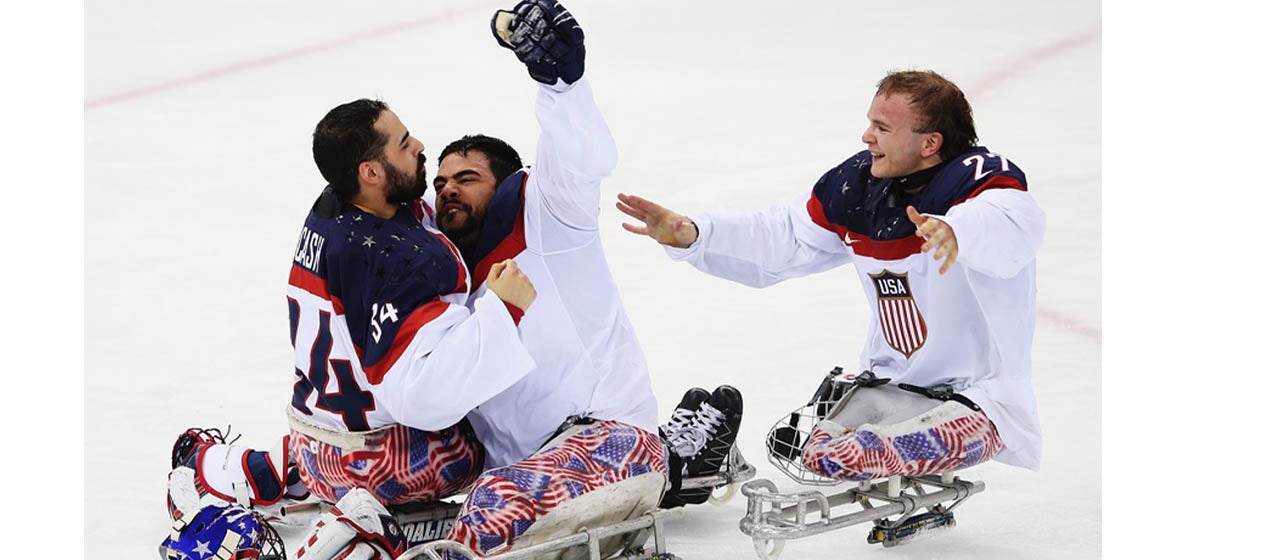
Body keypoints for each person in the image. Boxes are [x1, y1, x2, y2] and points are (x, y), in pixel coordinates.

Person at [162, 98, 544, 560]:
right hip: (384, 468)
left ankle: (242, 473)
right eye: (404, 146)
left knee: (352, 412)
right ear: (371, 172)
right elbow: (426, 395)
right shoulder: (404, 264)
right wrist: (503, 313)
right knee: (497, 432)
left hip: (313, 444)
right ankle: (376, 532)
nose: (420, 147)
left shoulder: (330, 209)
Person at [424, 1, 742, 556]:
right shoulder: (441, 263)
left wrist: (562, 85)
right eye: (441, 180)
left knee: (491, 512)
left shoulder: (548, 216)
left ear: (503, 187)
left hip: (609, 439)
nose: (447, 188)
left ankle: (667, 463)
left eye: (466, 178)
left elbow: (585, 155)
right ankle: (679, 461)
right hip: (524, 470)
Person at [618, 69, 1046, 480]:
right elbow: (781, 238)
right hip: (892, 386)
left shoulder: (984, 187)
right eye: (869, 123)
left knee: (850, 456)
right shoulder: (859, 186)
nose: (867, 136)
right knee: (817, 455)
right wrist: (695, 234)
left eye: (882, 127)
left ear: (930, 142)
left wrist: (958, 231)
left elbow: (1011, 225)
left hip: (976, 398)